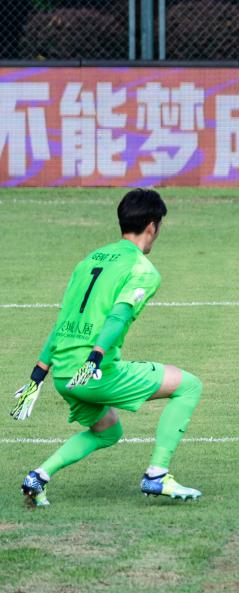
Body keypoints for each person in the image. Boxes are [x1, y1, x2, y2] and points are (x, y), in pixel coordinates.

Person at [11, 188, 204, 507]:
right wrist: (95, 358)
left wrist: (37, 377)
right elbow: (119, 315)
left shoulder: (89, 260)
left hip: (63, 376)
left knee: (107, 431)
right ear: (152, 226)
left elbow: (62, 322)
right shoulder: (142, 269)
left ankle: (38, 477)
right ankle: (157, 475)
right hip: (95, 373)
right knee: (189, 386)